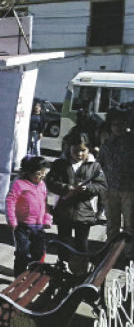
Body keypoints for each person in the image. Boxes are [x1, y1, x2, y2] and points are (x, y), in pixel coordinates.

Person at [46, 131, 107, 267]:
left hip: (84, 212)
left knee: (81, 244)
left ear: (88, 149)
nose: (79, 154)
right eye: (75, 150)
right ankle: (62, 267)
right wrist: (66, 188)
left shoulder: (94, 166)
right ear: (69, 148)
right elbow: (50, 181)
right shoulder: (60, 163)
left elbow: (102, 186)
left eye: (83, 150)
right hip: (64, 212)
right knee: (63, 242)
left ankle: (81, 271)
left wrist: (88, 188)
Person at [98, 107, 134, 261]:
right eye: (115, 125)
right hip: (110, 189)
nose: (118, 127)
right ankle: (110, 253)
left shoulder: (131, 141)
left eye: (121, 124)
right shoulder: (106, 144)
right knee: (112, 224)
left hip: (129, 190)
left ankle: (129, 253)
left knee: (130, 224)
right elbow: (101, 165)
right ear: (110, 126)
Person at [5, 156, 52, 276]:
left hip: (38, 226)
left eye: (43, 174)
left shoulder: (41, 185)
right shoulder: (19, 183)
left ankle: (34, 276)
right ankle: (19, 277)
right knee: (23, 253)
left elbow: (45, 203)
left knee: (39, 252)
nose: (41, 177)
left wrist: (47, 219)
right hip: (22, 226)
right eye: (38, 174)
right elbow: (10, 201)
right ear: (29, 172)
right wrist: (12, 220)